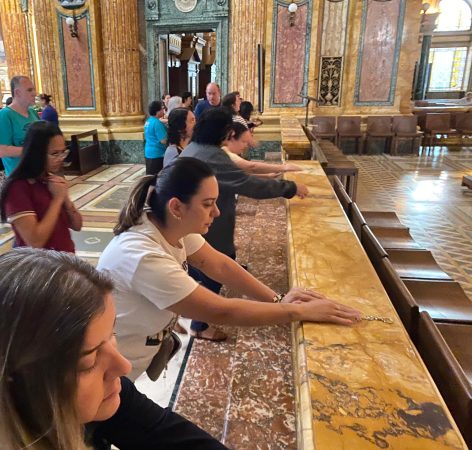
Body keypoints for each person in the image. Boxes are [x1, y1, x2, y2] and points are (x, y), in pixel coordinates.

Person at [0, 248, 228, 450]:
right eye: (88, 362)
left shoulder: (99, 393)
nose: (123, 366)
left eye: (111, 334)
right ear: (20, 379)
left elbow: (170, 436)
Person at [97, 158, 360, 380]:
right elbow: (220, 310)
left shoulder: (169, 224)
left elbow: (219, 264)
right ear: (176, 207)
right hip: (106, 372)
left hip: (130, 361)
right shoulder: (142, 255)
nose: (217, 212)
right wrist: (298, 312)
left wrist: (278, 299)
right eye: (207, 204)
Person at [180, 108, 309, 338]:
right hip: (207, 225)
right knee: (214, 270)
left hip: (203, 221)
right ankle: (200, 326)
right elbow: (249, 185)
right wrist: (290, 188)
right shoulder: (212, 156)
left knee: (214, 265)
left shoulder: (195, 148)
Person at [0, 121, 82, 252]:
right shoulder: (17, 188)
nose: (61, 158)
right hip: (40, 262)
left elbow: (77, 225)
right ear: (36, 153)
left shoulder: (51, 180)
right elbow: (35, 242)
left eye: (63, 152)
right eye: (54, 154)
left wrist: (65, 199)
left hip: (64, 259)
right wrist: (57, 200)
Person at [0, 75, 40, 175]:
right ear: (17, 92)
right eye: (29, 90)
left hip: (37, 171)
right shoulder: (4, 115)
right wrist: (33, 150)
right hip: (19, 175)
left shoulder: (32, 112)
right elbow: (2, 150)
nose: (34, 93)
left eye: (34, 90)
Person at [224, 122, 302, 178]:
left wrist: (266, 176)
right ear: (232, 138)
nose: (246, 145)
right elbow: (251, 167)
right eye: (243, 141)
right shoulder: (225, 152)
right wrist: (284, 167)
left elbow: (240, 175)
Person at [143, 100, 167, 176]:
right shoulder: (157, 123)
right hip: (157, 153)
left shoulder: (148, 121)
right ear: (157, 111)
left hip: (149, 152)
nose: (163, 110)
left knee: (150, 177)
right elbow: (163, 140)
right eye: (162, 109)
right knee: (156, 178)